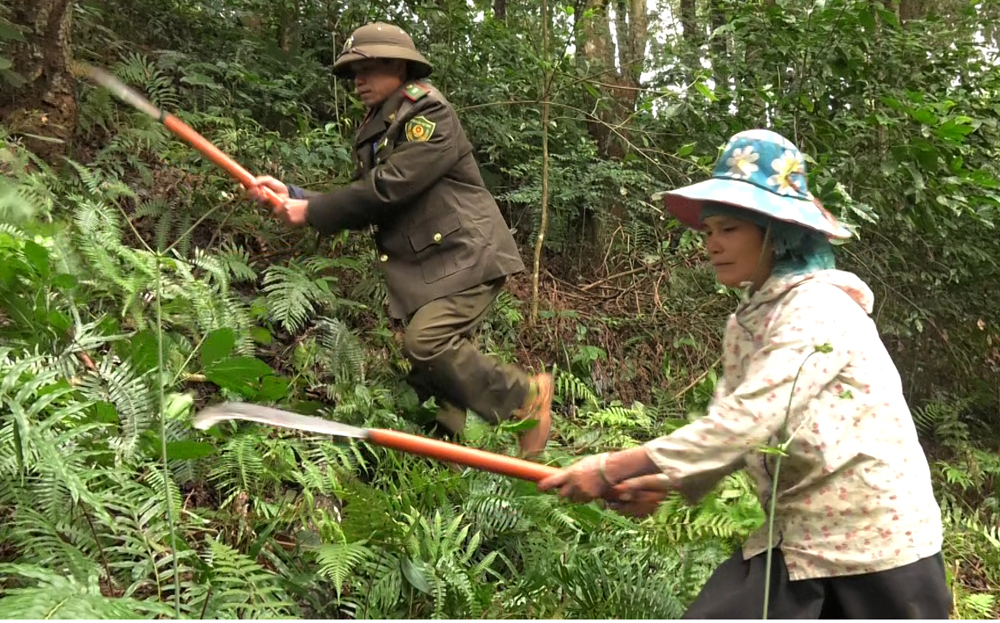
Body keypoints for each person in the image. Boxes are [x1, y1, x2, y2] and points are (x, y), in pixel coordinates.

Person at [538, 129, 951, 618]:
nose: (712, 243)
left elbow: (749, 421)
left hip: (874, 544)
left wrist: (611, 467)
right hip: (796, 541)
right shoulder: (746, 322)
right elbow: (735, 430)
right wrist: (665, 482)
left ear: (776, 233)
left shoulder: (818, 307)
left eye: (729, 229)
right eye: (709, 230)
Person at [250, 22, 552, 458]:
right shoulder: (379, 126)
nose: (358, 80)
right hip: (436, 263)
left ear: (401, 68)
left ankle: (523, 400)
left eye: (369, 68)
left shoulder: (429, 114)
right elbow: (369, 199)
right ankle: (437, 458)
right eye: (354, 71)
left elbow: (389, 187)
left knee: (427, 343)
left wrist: (311, 212)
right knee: (432, 373)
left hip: (467, 256)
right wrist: (294, 197)